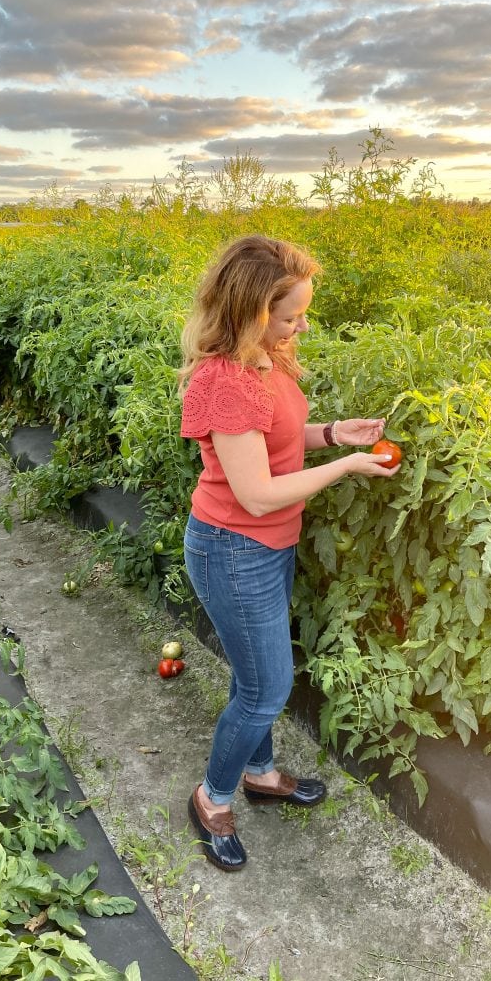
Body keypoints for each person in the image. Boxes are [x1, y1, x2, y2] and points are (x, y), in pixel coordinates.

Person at [178, 234, 400, 871]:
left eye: (303, 310)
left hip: (264, 548)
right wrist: (348, 467)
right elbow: (256, 493)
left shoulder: (265, 358)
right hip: (233, 547)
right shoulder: (226, 380)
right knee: (266, 688)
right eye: (289, 314)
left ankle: (260, 773)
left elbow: (271, 437)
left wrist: (332, 434)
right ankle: (212, 796)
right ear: (250, 312)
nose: (301, 324)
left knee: (257, 680)